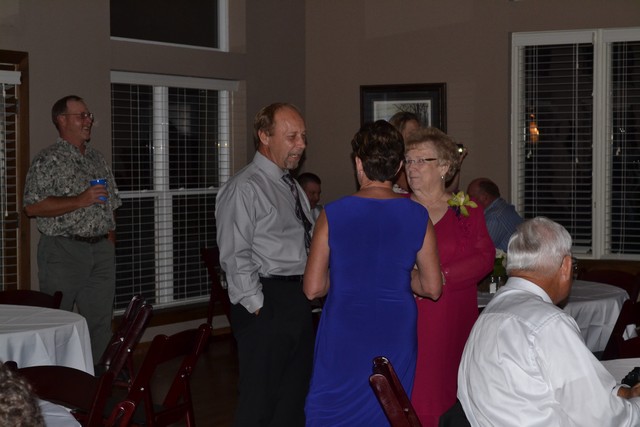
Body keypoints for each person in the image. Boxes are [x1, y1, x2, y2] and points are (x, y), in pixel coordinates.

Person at [303, 120, 443, 426]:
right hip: (395, 327)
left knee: (332, 408)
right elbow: (433, 287)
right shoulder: (417, 215)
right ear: (398, 168)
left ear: (358, 163)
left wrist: (348, 276)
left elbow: (313, 288)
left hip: (345, 326)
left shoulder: (332, 214)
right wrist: (398, 276)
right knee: (387, 409)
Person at [458, 217, 640, 426]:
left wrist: (622, 393)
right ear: (566, 266)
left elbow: (553, 388)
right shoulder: (548, 323)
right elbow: (604, 419)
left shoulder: (486, 316)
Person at [216, 102, 314, 426]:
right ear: (264, 136)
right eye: (292, 136)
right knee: (258, 403)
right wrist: (258, 307)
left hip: (296, 300)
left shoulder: (291, 185)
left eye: (303, 136)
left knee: (292, 399)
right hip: (267, 302)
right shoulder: (244, 187)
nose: (301, 144)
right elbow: (235, 255)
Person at [405, 127, 495, 426]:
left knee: (448, 389)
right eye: (408, 160)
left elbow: (484, 258)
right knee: (414, 389)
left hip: (452, 315)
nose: (412, 168)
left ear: (444, 167)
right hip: (408, 314)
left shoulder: (466, 210)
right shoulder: (397, 208)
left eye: (421, 160)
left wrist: (440, 276)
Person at [23, 95, 121, 363]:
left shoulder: (97, 158)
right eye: (81, 116)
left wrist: (109, 240)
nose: (88, 120)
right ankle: (57, 379)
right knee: (58, 322)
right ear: (62, 120)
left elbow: (111, 203)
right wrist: (80, 199)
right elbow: (32, 207)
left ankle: (97, 381)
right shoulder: (47, 159)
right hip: (63, 251)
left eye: (89, 115)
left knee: (100, 323)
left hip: (100, 251)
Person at [466, 177, 524, 252]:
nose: (468, 202)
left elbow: (479, 251)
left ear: (484, 197)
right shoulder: (504, 208)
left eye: (471, 197)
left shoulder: (494, 217)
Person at [389, 111, 421, 194]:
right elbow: (418, 188)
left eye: (419, 133)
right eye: (412, 134)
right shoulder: (394, 162)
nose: (418, 137)